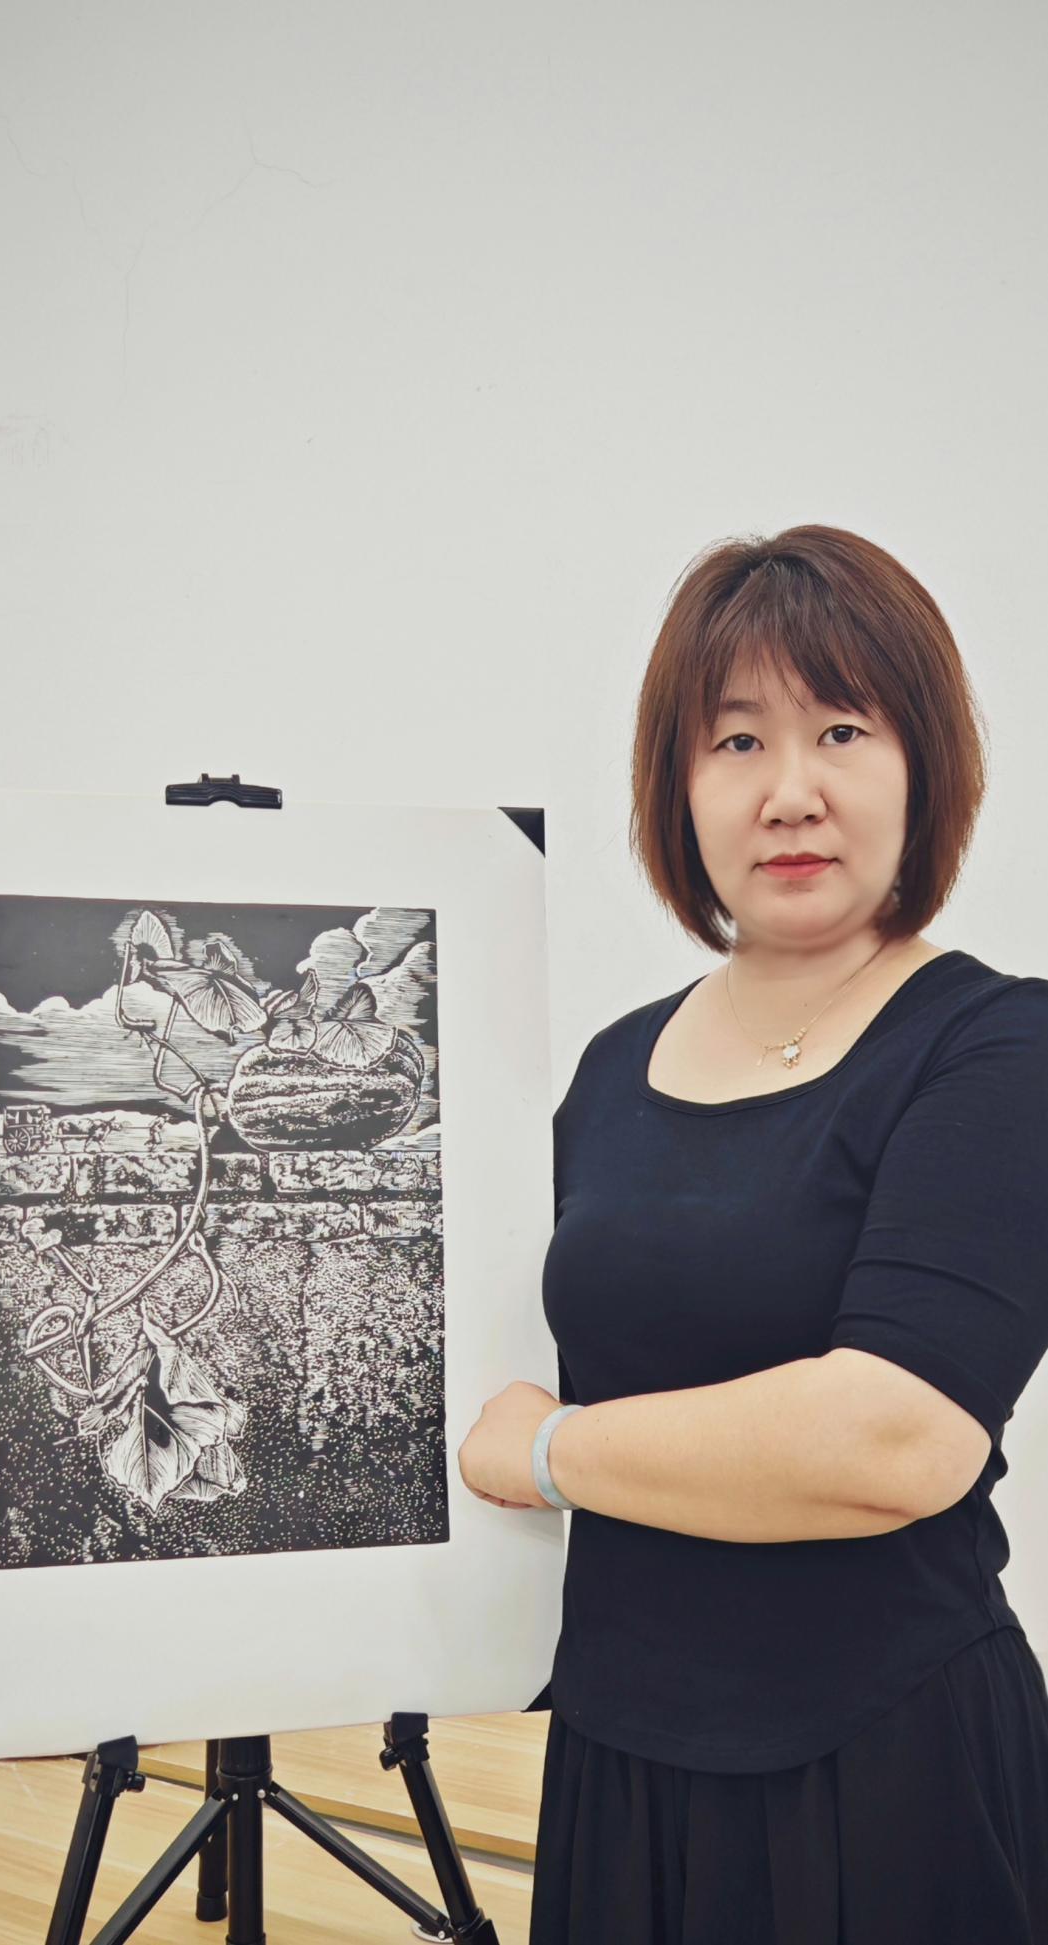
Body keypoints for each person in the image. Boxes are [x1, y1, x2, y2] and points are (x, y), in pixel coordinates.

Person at [457, 524, 1048, 1942]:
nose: (790, 792)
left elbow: (897, 1438)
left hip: (884, 1763)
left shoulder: (995, 1047)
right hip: (618, 1758)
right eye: (735, 741)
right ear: (678, 787)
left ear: (922, 765)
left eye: (840, 729)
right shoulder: (610, 1067)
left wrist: (546, 1453)